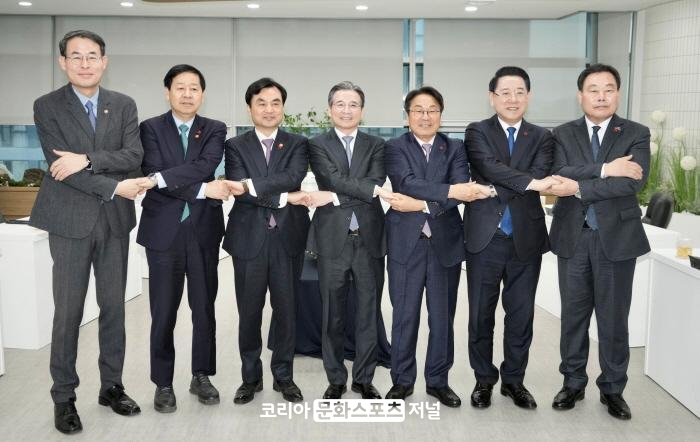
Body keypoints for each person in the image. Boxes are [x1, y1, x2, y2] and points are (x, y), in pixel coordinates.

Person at [30, 29, 146, 434]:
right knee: (68, 313)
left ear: (104, 61)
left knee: (114, 308)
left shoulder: (124, 104)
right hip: (69, 222)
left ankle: (112, 387)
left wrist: (88, 159)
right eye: (76, 56)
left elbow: (134, 155)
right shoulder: (47, 106)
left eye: (92, 56)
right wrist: (113, 185)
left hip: (114, 222)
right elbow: (60, 169)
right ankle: (64, 397)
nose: (84, 63)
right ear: (63, 62)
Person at [547, 63, 648, 420]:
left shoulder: (635, 133)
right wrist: (606, 169)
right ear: (581, 96)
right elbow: (557, 173)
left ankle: (613, 389)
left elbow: (632, 182)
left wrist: (578, 186)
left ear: (618, 94)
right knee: (573, 317)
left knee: (613, 319)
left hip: (616, 239)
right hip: (573, 237)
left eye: (609, 89)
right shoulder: (561, 134)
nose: (601, 96)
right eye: (594, 90)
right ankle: (573, 382)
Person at [137, 64, 239, 413]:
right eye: (180, 87)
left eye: (194, 88)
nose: (187, 94)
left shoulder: (214, 128)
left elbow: (205, 165)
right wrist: (201, 189)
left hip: (202, 232)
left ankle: (201, 375)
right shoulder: (150, 128)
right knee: (163, 312)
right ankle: (163, 383)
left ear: (202, 94)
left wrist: (163, 179)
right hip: (163, 234)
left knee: (204, 309)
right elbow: (152, 168)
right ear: (167, 92)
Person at [383, 86, 490, 407]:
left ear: (441, 115)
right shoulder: (394, 147)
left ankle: (438, 381)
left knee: (442, 318)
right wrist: (450, 191)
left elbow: (462, 190)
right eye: (418, 110)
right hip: (405, 243)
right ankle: (402, 380)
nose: (425, 116)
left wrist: (423, 204)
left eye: (432, 110)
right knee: (404, 316)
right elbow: (406, 183)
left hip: (445, 241)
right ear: (407, 116)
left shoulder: (454, 147)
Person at [463, 66, 555, 410]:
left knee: (521, 316)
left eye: (519, 92)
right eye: (505, 92)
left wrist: (495, 186)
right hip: (485, 238)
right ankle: (483, 380)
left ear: (528, 96)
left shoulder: (543, 136)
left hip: (525, 239)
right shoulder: (477, 131)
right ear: (492, 97)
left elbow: (541, 173)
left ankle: (514, 381)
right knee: (480, 315)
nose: (512, 99)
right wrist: (529, 182)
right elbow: (488, 166)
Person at [224, 78, 310, 404]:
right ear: (250, 108)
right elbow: (238, 188)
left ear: (283, 108)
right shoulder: (235, 146)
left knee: (286, 310)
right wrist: (284, 197)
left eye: (275, 103)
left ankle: (284, 376)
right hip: (248, 239)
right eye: (261, 103)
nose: (269, 109)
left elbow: (293, 177)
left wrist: (252, 184)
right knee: (249, 312)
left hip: (288, 239)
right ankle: (250, 378)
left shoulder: (298, 143)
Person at [306, 81, 394, 400]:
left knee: (368, 312)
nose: (347, 110)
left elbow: (375, 181)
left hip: (369, 238)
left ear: (362, 110)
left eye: (353, 104)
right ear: (330, 109)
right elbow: (332, 178)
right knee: (333, 313)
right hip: (332, 239)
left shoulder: (377, 145)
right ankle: (335, 379)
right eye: (340, 104)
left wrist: (332, 196)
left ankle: (364, 378)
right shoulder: (316, 144)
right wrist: (364, 190)